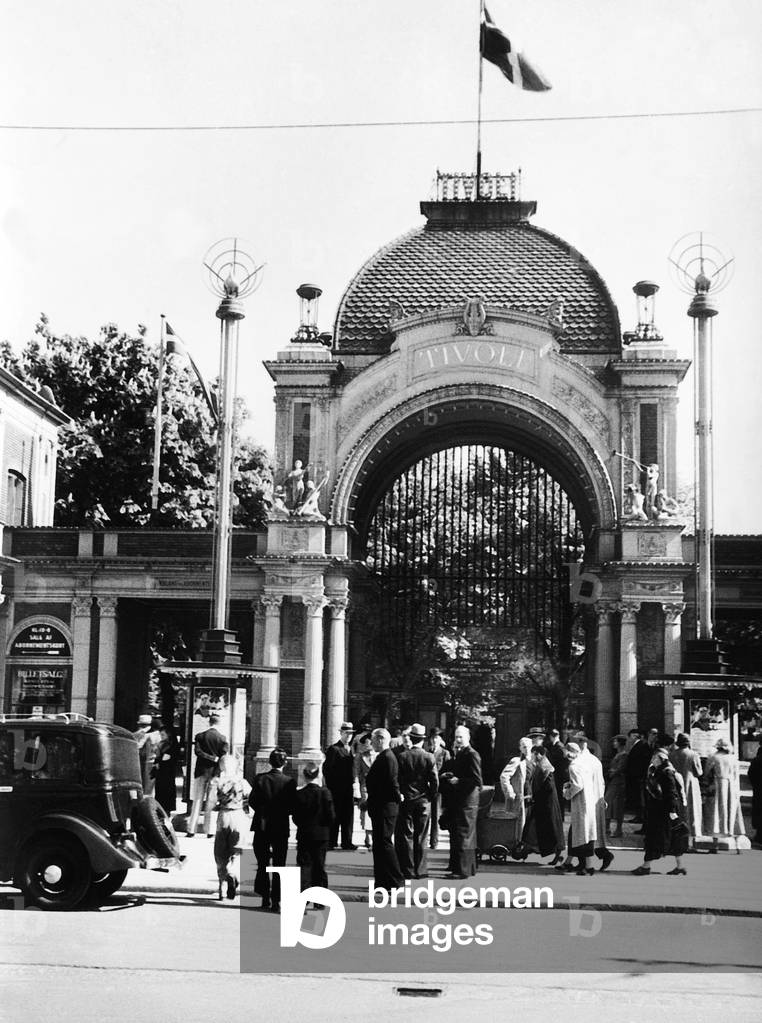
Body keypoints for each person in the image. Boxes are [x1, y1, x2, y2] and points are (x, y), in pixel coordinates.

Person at [249, 748, 296, 912]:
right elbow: (292, 806)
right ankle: (277, 899)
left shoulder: (260, 779)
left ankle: (264, 897)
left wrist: (263, 810)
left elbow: (252, 801)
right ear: (285, 763)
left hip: (262, 824)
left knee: (262, 862)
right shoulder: (289, 782)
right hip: (280, 825)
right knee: (279, 864)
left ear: (269, 762)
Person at [631, 744, 689, 876]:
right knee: (673, 837)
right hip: (662, 810)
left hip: (663, 812)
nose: (652, 759)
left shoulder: (666, 772)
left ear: (661, 758)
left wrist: (672, 811)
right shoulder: (658, 770)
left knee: (655, 838)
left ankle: (646, 866)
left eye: (654, 757)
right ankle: (680, 866)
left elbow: (671, 793)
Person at [562, 742, 612, 875]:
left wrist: (567, 792)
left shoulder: (574, 765)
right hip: (590, 801)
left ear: (569, 752)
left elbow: (578, 785)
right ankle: (582, 864)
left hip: (581, 803)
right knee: (586, 834)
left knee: (583, 835)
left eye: (566, 754)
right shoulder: (587, 763)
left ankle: (588, 867)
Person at [363, 727, 404, 892]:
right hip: (382, 806)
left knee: (384, 843)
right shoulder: (385, 757)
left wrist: (397, 796)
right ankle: (383, 880)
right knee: (380, 844)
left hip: (385, 808)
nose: (371, 743)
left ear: (380, 739)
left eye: (373, 739)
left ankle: (394, 879)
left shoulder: (387, 757)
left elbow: (392, 782)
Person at [396, 723, 438, 879]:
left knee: (406, 835)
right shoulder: (429, 757)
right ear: (423, 739)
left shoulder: (402, 757)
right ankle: (420, 870)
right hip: (423, 800)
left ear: (411, 738)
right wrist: (431, 797)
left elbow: (398, 779)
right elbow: (435, 781)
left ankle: (407, 869)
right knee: (421, 836)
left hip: (406, 799)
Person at [440, 725, 482, 879]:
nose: (457, 740)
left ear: (468, 738)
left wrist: (458, 781)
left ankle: (462, 870)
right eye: (456, 737)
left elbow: (477, 781)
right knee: (460, 834)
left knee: (464, 835)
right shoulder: (461, 753)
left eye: (461, 737)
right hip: (460, 800)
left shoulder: (472, 754)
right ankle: (461, 867)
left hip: (467, 801)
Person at [208, 753, 251, 900]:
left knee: (220, 852)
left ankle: (221, 887)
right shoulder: (242, 781)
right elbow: (250, 797)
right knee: (237, 850)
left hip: (223, 816)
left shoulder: (217, 781)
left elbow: (211, 802)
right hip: (238, 816)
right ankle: (232, 872)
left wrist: (214, 807)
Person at [291, 761, 335, 894]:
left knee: (305, 866)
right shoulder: (325, 793)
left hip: (305, 833)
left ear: (304, 776)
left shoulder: (300, 794)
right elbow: (331, 816)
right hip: (321, 834)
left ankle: (304, 895)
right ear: (318, 775)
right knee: (319, 865)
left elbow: (295, 817)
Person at [186, 712, 228, 837]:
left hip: (201, 771)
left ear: (209, 722)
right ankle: (209, 830)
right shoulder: (222, 738)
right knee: (211, 802)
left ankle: (191, 829)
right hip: (214, 773)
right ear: (218, 723)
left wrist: (208, 757)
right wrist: (216, 761)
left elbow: (198, 752)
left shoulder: (200, 736)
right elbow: (223, 756)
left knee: (197, 800)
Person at [522, 745, 565, 864]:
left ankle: (556, 853)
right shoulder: (543, 765)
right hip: (543, 803)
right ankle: (529, 849)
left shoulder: (544, 767)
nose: (532, 756)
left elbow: (547, 788)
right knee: (536, 827)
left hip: (546, 804)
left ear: (538, 754)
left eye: (534, 754)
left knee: (548, 829)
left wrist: (535, 796)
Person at [323, 721, 357, 850]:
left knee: (348, 816)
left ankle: (346, 841)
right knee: (335, 815)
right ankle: (332, 841)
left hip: (348, 788)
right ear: (341, 733)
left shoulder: (351, 749)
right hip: (336, 788)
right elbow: (327, 769)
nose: (349, 736)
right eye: (346, 733)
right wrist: (332, 786)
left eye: (350, 733)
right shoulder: (334, 749)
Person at [704, 738, 745, 841]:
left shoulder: (713, 758)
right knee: (731, 809)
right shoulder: (733, 758)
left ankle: (715, 840)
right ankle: (732, 835)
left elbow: (706, 773)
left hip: (717, 784)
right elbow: (736, 775)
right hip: (731, 786)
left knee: (716, 810)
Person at [669, 733, 703, 839]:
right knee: (691, 809)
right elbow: (698, 772)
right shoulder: (693, 754)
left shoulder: (672, 754)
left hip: (675, 783)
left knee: (678, 809)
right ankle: (691, 835)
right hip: (690, 784)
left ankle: (677, 834)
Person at [499, 736, 534, 840]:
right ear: (520, 748)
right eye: (524, 747)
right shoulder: (516, 761)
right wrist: (510, 792)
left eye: (528, 746)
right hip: (520, 797)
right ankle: (516, 845)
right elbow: (504, 776)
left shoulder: (534, 761)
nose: (526, 749)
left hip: (531, 796)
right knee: (518, 825)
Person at [427, 728, 451, 850]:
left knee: (435, 815)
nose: (434, 740)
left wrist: (442, 776)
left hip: (438, 789)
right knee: (425, 815)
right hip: (426, 788)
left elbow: (449, 770)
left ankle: (434, 841)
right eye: (433, 738)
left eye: (437, 738)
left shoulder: (445, 753)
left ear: (440, 739)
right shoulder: (427, 752)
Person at [353, 731, 376, 850]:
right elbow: (356, 772)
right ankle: (368, 836)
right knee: (366, 811)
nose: (367, 745)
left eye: (369, 743)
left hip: (378, 787)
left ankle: (373, 834)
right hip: (365, 786)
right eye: (366, 743)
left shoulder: (380, 755)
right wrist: (356, 786)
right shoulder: (360, 756)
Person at [625, 728, 651, 826]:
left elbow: (641, 762)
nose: (629, 738)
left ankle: (641, 816)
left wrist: (640, 775)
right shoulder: (638, 745)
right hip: (636, 776)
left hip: (638, 776)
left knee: (640, 798)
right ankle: (639, 815)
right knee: (637, 797)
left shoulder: (641, 745)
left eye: (631, 736)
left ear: (635, 736)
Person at [604, 735, 628, 838]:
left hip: (618, 782)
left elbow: (620, 768)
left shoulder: (623, 755)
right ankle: (607, 828)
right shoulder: (618, 754)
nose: (614, 743)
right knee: (608, 804)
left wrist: (612, 772)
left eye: (615, 742)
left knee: (617, 806)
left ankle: (618, 829)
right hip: (614, 782)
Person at [154, 723, 179, 815]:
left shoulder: (172, 745)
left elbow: (166, 758)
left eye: (163, 735)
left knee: (167, 791)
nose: (161, 737)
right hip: (161, 772)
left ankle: (166, 810)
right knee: (160, 791)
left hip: (168, 771)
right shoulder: (162, 743)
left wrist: (159, 760)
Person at [545, 729, 568, 818]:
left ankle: (560, 816)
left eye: (552, 736)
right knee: (557, 795)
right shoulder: (553, 746)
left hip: (559, 776)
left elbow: (562, 762)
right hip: (556, 775)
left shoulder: (560, 747)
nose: (551, 738)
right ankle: (558, 815)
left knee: (559, 796)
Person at [748, 745, 762, 845]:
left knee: (758, 811)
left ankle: (759, 835)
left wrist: (755, 785)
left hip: (759, 790)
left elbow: (751, 774)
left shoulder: (757, 760)